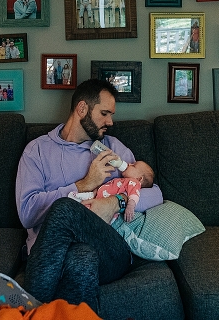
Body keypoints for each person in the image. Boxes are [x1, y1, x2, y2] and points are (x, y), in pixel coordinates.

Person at [16, 79, 164, 311]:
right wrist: (84, 184)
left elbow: (155, 194)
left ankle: (30, 309)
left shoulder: (113, 149)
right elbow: (27, 213)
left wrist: (116, 202)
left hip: (109, 249)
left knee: (68, 214)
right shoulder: (37, 151)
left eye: (111, 114)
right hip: (52, 255)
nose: (110, 121)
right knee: (80, 256)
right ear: (82, 109)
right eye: (104, 113)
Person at [70, 161, 155, 223]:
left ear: (139, 179)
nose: (129, 164)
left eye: (134, 166)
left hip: (103, 208)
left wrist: (130, 206)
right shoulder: (123, 180)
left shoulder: (134, 183)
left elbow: (135, 195)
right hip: (96, 197)